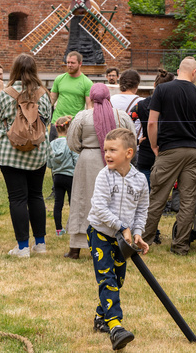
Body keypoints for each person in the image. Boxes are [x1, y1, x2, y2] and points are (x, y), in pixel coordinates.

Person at [87, 128, 149, 349]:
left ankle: (100, 318)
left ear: (129, 153)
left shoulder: (140, 180)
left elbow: (142, 210)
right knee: (107, 278)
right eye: (105, 150)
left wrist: (138, 232)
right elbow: (99, 208)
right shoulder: (104, 176)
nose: (107, 154)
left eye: (113, 150)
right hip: (101, 234)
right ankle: (115, 326)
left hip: (124, 239)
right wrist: (122, 226)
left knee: (118, 279)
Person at [142, 57, 196, 256]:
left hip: (169, 150)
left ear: (179, 70)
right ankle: (181, 246)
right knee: (188, 202)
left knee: (157, 198)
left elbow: (152, 123)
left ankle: (144, 241)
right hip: (192, 151)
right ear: (195, 72)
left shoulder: (162, 90)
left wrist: (154, 145)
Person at [65, 83, 136, 259]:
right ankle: (116, 243)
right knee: (114, 201)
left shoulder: (82, 116)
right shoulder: (121, 116)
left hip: (88, 160)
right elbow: (132, 138)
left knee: (83, 200)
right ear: (108, 97)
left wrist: (86, 150)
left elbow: (72, 141)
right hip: (117, 161)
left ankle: (76, 248)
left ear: (91, 97)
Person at [0, 54, 51, 258]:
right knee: (36, 195)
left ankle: (23, 247)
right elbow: (47, 119)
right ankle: (40, 243)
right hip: (37, 152)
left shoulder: (5, 93)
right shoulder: (43, 94)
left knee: (17, 199)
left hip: (10, 152)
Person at [131, 70, 175, 188]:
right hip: (167, 151)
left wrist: (135, 140)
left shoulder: (141, 105)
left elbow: (127, 120)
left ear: (154, 85)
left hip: (145, 152)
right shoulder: (174, 106)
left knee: (145, 192)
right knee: (162, 192)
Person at [49, 51, 93, 141]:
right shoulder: (59, 79)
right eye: (68, 62)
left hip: (74, 123)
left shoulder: (87, 82)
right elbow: (51, 99)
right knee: (53, 149)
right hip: (57, 123)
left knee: (72, 149)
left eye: (72, 63)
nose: (69, 65)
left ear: (80, 64)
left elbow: (89, 106)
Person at [49, 116, 78, 236]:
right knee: (73, 203)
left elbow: (49, 162)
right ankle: (73, 227)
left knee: (58, 203)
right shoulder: (70, 143)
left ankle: (58, 229)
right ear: (69, 128)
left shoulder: (52, 144)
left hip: (57, 177)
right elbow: (76, 159)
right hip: (70, 176)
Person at [110, 69, 143, 140]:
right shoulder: (142, 102)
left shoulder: (110, 100)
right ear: (137, 85)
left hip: (114, 141)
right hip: (135, 142)